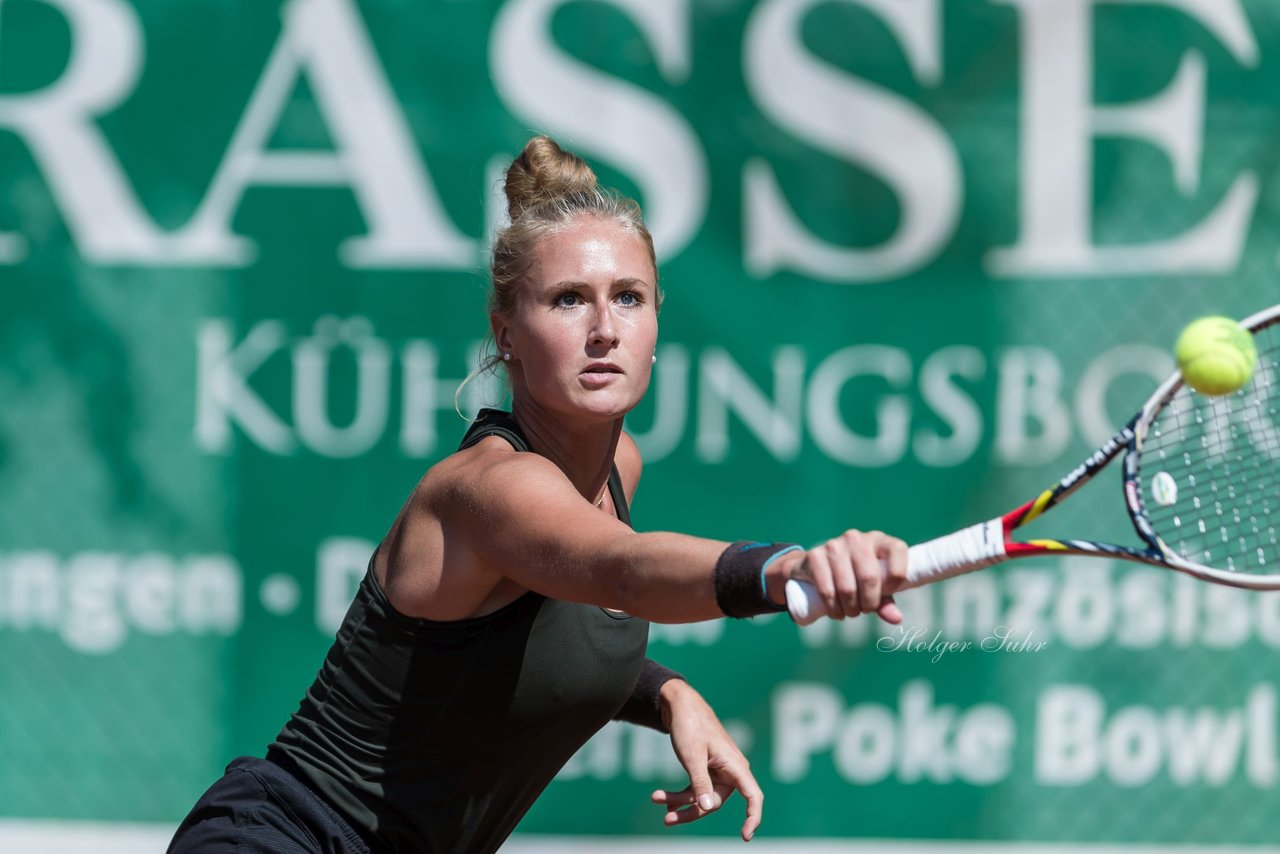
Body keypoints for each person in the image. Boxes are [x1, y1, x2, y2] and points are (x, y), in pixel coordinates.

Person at [168, 135, 909, 854]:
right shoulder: (493, 490)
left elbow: (540, 636)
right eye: (566, 301)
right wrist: (784, 571)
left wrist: (666, 692)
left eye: (628, 297)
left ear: (657, 322)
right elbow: (623, 571)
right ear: (506, 334)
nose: (603, 330)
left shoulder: (621, 462)